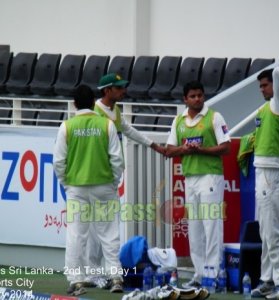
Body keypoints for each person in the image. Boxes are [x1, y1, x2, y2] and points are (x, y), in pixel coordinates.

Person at [86, 72, 166, 287]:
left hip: (110, 178)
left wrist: (153, 145)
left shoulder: (115, 110)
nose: (124, 91)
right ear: (107, 90)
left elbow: (128, 130)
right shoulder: (95, 113)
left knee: (105, 227)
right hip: (97, 178)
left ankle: (100, 273)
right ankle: (94, 273)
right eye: (119, 87)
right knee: (98, 228)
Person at [53, 85, 125, 295]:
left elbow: (58, 162)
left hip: (77, 188)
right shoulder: (106, 125)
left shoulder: (67, 126)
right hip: (104, 186)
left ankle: (76, 280)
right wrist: (113, 183)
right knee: (109, 233)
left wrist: (67, 185)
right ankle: (116, 278)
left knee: (76, 234)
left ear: (74, 104)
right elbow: (117, 160)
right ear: (94, 102)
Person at [165, 81, 231, 289]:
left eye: (200, 95)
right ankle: (200, 273)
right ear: (185, 99)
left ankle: (214, 273)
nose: (197, 99)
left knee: (211, 224)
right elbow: (169, 149)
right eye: (192, 96)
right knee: (194, 228)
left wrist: (201, 150)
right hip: (190, 178)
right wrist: (185, 149)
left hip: (210, 176)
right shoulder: (179, 120)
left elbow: (226, 147)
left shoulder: (215, 117)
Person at [251, 67, 279, 299]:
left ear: (278, 86)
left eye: (265, 85)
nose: (262, 90)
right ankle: (267, 280)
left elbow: (278, 71)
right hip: (264, 173)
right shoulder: (264, 109)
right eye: (259, 86)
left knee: (274, 230)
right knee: (265, 229)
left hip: (273, 174)